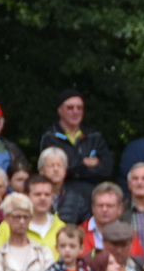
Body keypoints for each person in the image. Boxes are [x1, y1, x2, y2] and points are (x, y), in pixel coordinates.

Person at [39, 91, 115, 221]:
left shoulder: (94, 137)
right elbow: (56, 169)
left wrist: (75, 167)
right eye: (70, 108)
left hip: (92, 199)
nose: (75, 111)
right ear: (60, 111)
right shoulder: (50, 137)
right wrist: (88, 163)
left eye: (79, 108)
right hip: (64, 201)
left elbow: (107, 169)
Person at [0, 193, 57, 271]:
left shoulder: (43, 251)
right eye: (17, 217)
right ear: (6, 218)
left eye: (26, 217)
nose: (22, 221)